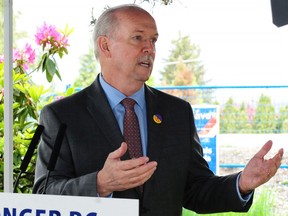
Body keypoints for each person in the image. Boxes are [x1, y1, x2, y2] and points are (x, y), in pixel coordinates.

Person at [33, 4, 284, 216]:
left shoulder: (178, 112)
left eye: (153, 40)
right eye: (138, 38)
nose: (150, 49)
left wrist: (241, 183)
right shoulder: (62, 116)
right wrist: (100, 184)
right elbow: (44, 194)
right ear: (106, 46)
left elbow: (195, 189)